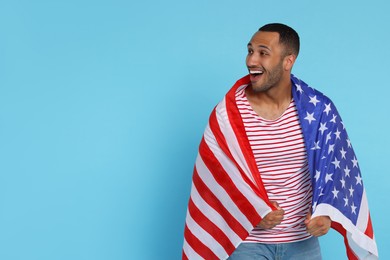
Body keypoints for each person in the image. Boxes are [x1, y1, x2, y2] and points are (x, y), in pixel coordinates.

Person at [182, 23, 378, 260]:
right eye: (250, 50)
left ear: (288, 61)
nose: (251, 60)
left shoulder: (319, 111)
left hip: (302, 244)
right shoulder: (227, 116)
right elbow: (215, 180)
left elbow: (337, 173)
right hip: (248, 245)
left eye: (263, 53)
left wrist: (325, 215)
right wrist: (251, 210)